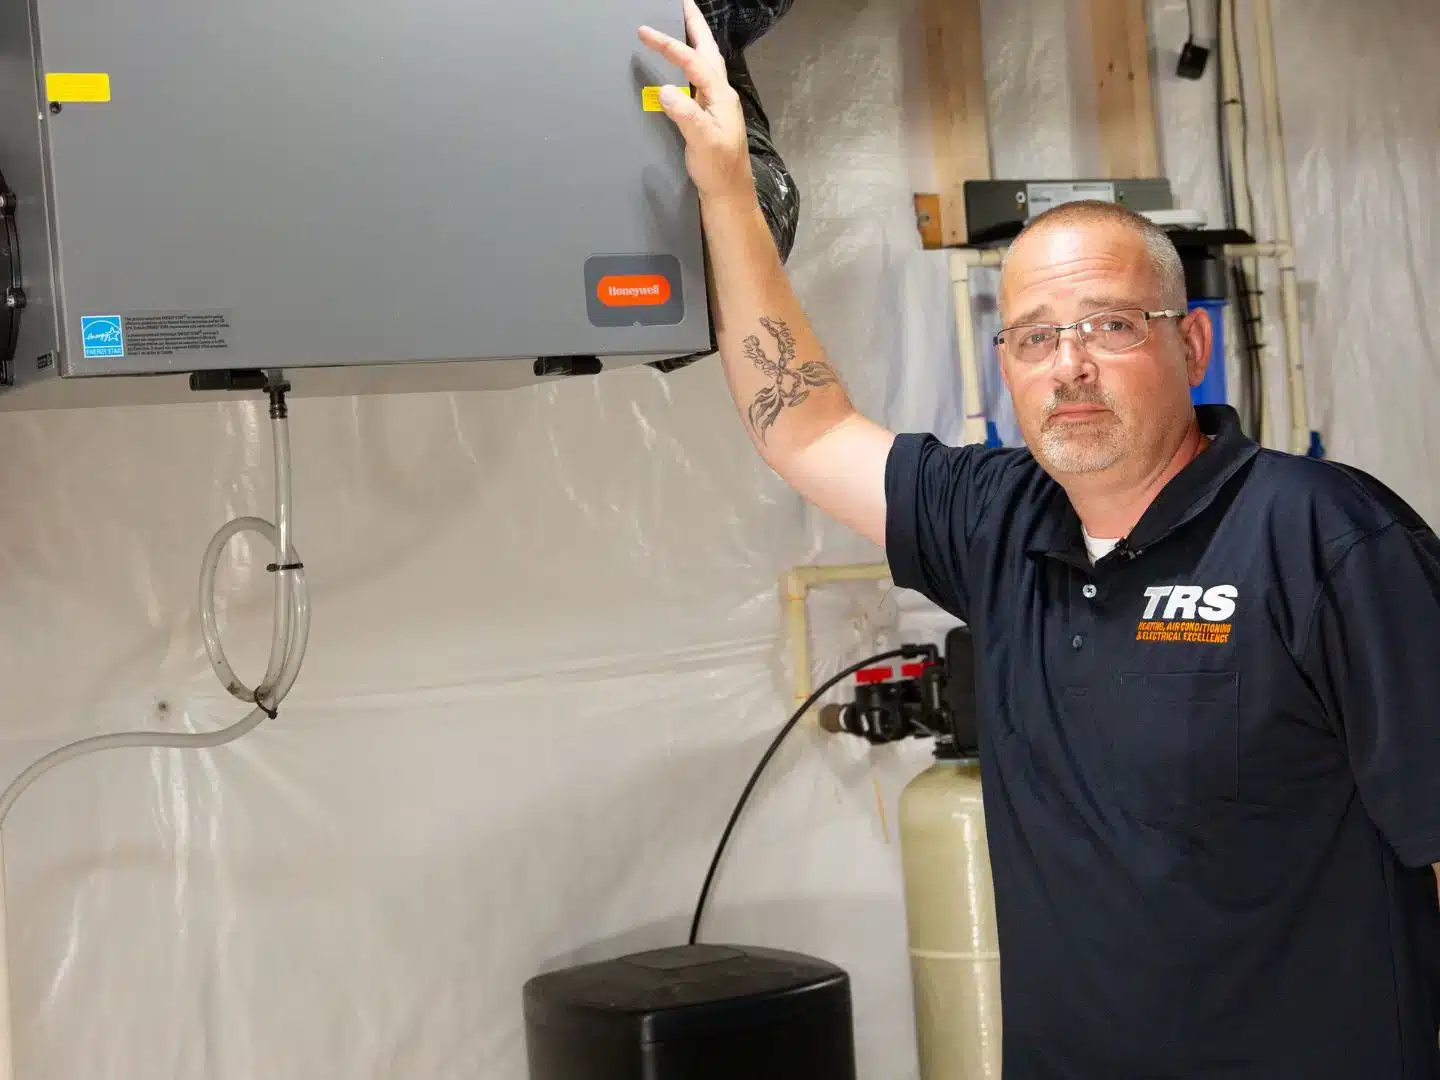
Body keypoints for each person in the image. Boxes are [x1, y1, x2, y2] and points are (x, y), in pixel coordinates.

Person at [639, 2, 1440, 1077]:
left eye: (1109, 324)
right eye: (1031, 337)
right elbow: (805, 424)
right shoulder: (999, 521)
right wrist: (729, 188)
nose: (1067, 366)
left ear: (1191, 342)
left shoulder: (1328, 540)